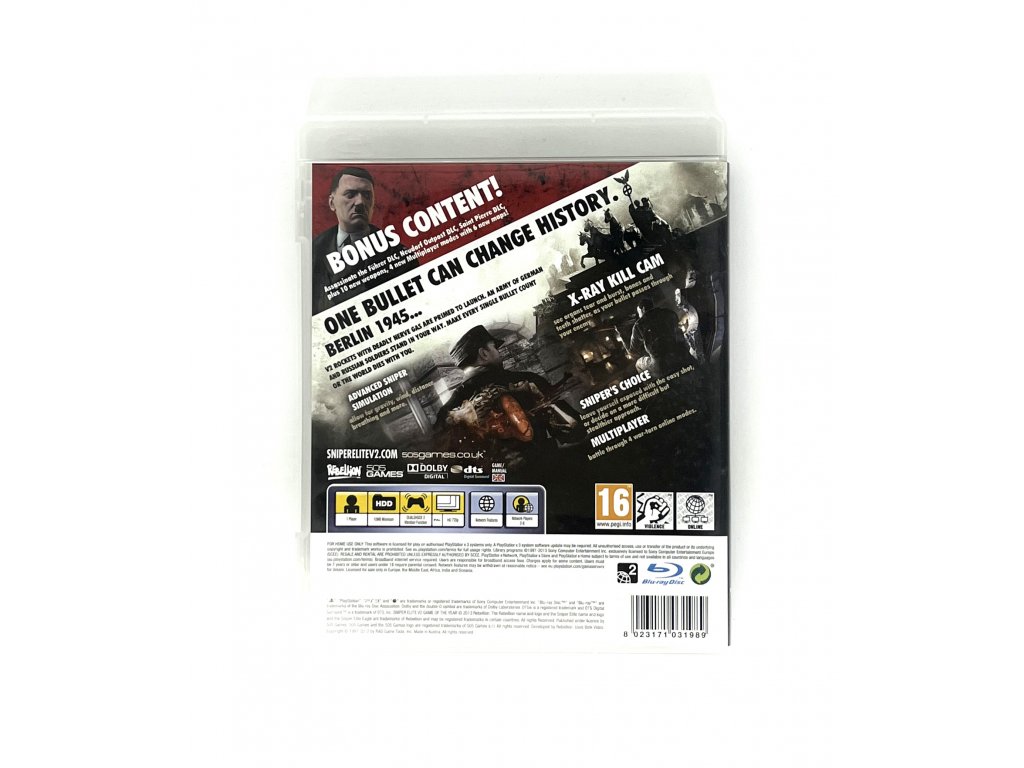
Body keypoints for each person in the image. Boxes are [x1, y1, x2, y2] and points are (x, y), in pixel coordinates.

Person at [434, 325, 583, 470]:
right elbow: (574, 432)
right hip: (545, 472)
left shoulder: (446, 412)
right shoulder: (527, 381)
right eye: (494, 348)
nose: (499, 353)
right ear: (484, 353)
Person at [311, 167, 409, 315]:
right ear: (332, 203)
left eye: (367, 195)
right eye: (350, 194)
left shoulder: (399, 255)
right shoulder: (313, 253)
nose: (360, 202)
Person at [628, 297, 689, 377]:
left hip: (661, 364)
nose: (639, 315)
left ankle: (657, 382)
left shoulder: (638, 325)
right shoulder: (669, 312)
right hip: (679, 354)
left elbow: (633, 351)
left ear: (642, 309)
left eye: (639, 312)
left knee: (638, 364)